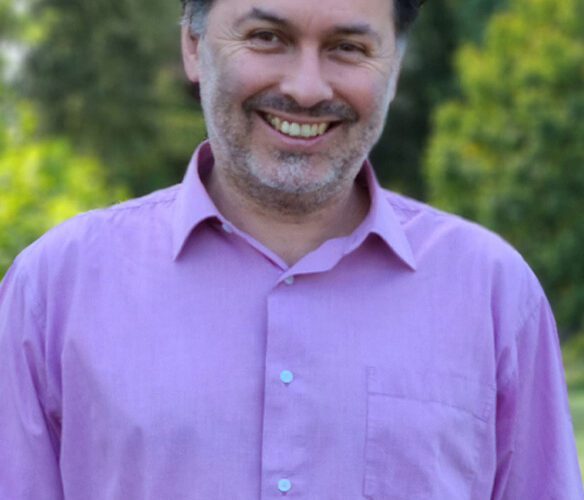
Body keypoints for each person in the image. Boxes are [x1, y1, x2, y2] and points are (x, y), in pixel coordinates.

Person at [0, 0, 582, 497]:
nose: (305, 88)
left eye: (348, 48)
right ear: (192, 45)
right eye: (266, 38)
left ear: (395, 66)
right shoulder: (54, 293)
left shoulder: (493, 296)